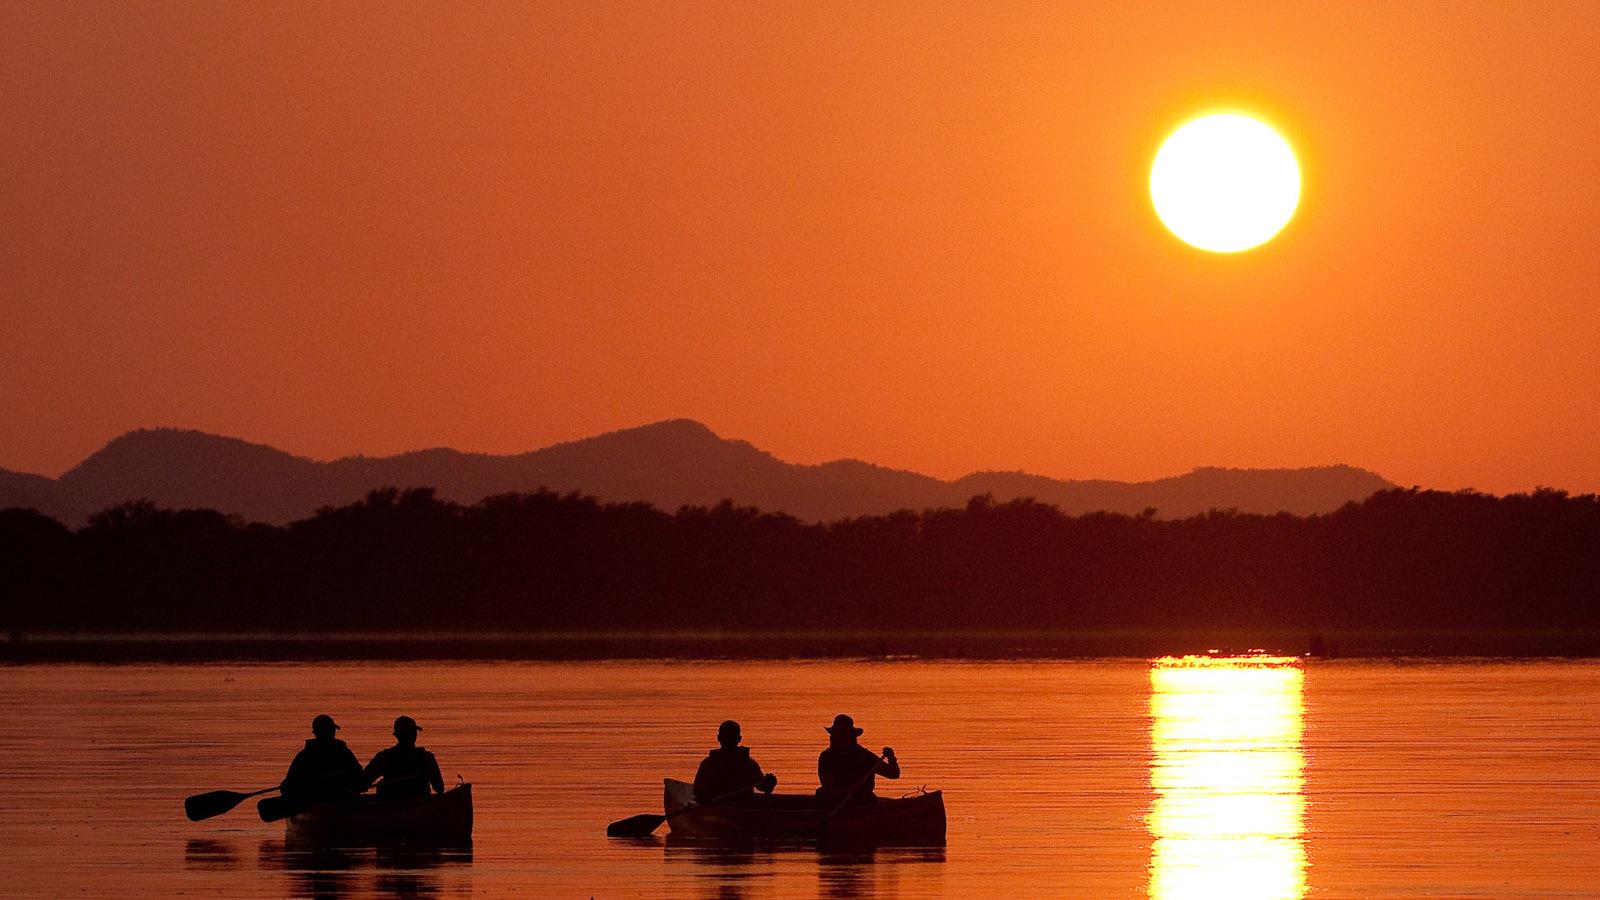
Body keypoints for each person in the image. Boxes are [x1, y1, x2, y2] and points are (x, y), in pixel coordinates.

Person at [816, 714, 899, 805]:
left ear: (852, 737)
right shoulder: (827, 757)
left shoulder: (864, 756)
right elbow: (828, 786)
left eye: (845, 735)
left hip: (862, 800)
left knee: (865, 799)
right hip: (835, 800)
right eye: (839, 734)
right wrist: (847, 790)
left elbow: (893, 774)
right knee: (822, 793)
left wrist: (891, 758)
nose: (842, 738)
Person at [281, 714, 362, 803]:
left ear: (315, 733)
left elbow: (288, 786)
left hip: (339, 797)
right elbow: (360, 775)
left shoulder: (304, 755)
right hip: (326, 799)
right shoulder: (344, 752)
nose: (332, 732)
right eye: (331, 730)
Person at [361, 715, 445, 800]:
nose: (412, 735)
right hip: (394, 804)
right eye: (409, 732)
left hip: (405, 803)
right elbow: (440, 788)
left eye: (412, 732)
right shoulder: (385, 757)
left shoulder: (385, 757)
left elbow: (440, 788)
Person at [693, 720, 778, 803]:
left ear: (718, 738)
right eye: (727, 738)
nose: (728, 741)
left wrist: (770, 782)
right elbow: (699, 793)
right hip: (725, 806)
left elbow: (764, 787)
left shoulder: (708, 764)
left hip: (741, 808)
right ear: (739, 739)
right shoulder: (749, 764)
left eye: (731, 738)